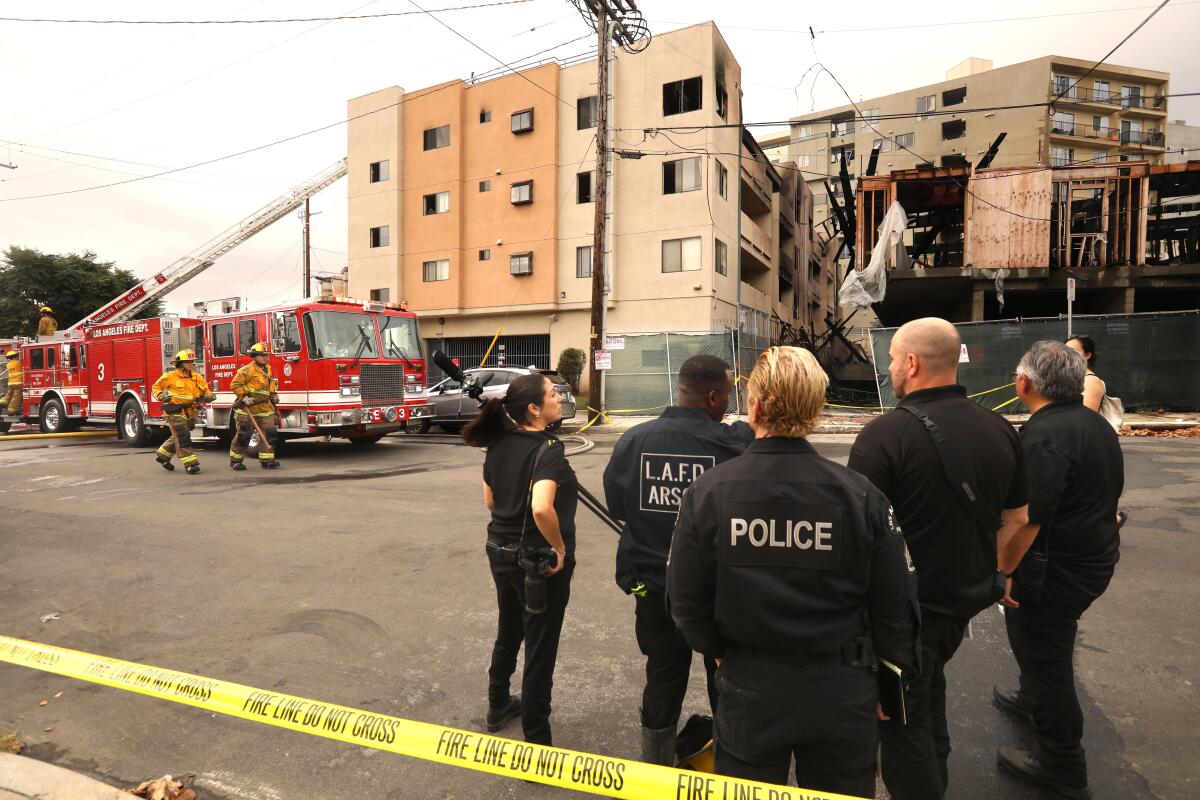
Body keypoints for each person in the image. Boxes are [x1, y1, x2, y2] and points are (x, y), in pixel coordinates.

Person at [668, 346, 919, 797]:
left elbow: (685, 602)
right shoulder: (860, 496)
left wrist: (717, 651)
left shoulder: (707, 494)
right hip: (842, 688)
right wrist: (890, 678)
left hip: (750, 685)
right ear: (817, 409)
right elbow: (894, 604)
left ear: (756, 406)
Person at [848, 317, 1029, 800]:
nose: (888, 369)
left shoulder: (883, 437)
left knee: (902, 724)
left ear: (911, 363)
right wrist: (994, 569)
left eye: (890, 360)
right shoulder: (1000, 428)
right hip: (962, 603)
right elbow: (1020, 517)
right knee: (927, 694)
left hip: (902, 616)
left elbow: (859, 542)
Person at [602, 354, 753, 765]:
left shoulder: (635, 440)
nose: (728, 402)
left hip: (650, 584)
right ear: (710, 396)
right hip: (713, 590)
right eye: (726, 395)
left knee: (664, 673)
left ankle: (655, 765)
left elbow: (618, 505)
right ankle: (729, 765)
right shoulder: (732, 444)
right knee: (722, 674)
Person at [994, 341, 1124, 800]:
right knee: (1040, 651)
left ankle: (1062, 765)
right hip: (1092, 558)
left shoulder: (1045, 436)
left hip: (1057, 570)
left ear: (1024, 383)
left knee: (1047, 659)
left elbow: (1029, 518)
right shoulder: (1093, 424)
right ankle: (1032, 699)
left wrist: (1004, 570)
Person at [463, 372, 577, 746]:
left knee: (510, 627)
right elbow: (541, 508)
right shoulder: (548, 449)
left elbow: (491, 502)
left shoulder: (497, 444)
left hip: (499, 550)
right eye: (552, 394)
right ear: (534, 409)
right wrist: (559, 548)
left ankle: (498, 703)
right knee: (540, 648)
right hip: (537, 560)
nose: (558, 398)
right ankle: (537, 739)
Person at [151, 349, 215, 474]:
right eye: (188, 362)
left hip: (190, 412)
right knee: (183, 436)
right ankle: (190, 464)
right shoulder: (170, 376)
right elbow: (156, 387)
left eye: (192, 361)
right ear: (180, 363)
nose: (191, 364)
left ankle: (162, 456)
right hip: (175, 412)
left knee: (178, 435)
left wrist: (210, 395)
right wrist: (161, 396)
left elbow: (206, 390)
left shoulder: (197, 376)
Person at [229, 342, 281, 470]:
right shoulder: (246, 370)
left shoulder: (268, 369)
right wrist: (245, 399)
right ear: (254, 356)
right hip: (248, 409)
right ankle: (236, 460)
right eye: (262, 355)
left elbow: (270, 386)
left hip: (265, 408)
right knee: (243, 435)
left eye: (266, 355)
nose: (265, 357)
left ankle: (267, 460)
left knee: (270, 433)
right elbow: (234, 385)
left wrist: (274, 396)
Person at [3, 350, 22, 415]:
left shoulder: (8, 364)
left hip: (10, 383)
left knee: (9, 394)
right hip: (18, 382)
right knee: (16, 397)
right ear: (15, 356)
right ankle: (11, 409)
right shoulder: (18, 363)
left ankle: (3, 401)